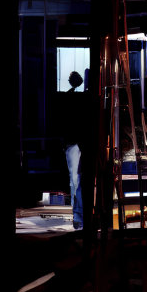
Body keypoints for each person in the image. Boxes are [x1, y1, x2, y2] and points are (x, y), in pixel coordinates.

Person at [61, 71, 86, 230]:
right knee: (78, 181)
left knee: (75, 181)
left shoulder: (67, 98)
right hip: (78, 141)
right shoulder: (81, 99)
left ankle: (78, 217)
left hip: (72, 143)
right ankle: (79, 217)